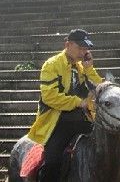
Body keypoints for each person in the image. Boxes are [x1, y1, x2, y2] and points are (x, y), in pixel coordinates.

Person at [27, 28, 104, 182]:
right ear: (68, 44)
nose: (83, 52)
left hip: (83, 119)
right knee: (53, 162)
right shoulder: (52, 65)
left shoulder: (82, 67)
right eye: (80, 47)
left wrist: (89, 69)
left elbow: (100, 88)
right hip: (58, 121)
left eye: (85, 49)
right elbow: (50, 97)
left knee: (108, 150)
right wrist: (77, 102)